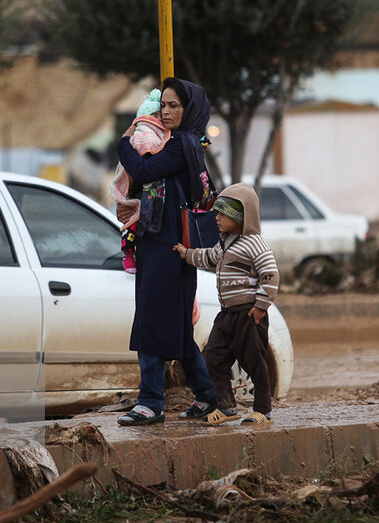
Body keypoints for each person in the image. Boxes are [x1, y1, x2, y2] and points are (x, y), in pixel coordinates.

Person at [115, 77, 219, 426]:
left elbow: (143, 169)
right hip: (161, 244)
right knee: (177, 328)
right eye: (164, 104)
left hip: (167, 246)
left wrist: (124, 142)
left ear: (190, 110)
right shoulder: (179, 144)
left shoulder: (182, 146)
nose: (166, 111)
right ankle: (207, 396)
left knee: (152, 322)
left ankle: (150, 401)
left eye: (174, 105)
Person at [172, 183, 280, 426]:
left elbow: (270, 275)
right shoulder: (224, 243)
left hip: (248, 314)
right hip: (226, 315)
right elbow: (209, 257)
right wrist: (186, 254)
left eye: (222, 214)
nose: (217, 218)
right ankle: (227, 407)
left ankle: (263, 409)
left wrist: (261, 307)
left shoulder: (255, 244)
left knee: (255, 362)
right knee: (213, 357)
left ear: (240, 217)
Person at [109, 88, 170, 273]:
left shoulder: (176, 139)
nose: (161, 120)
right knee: (132, 220)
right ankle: (127, 251)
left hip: (153, 199)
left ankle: (129, 251)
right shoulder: (143, 130)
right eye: (157, 116)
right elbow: (144, 145)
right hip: (138, 189)